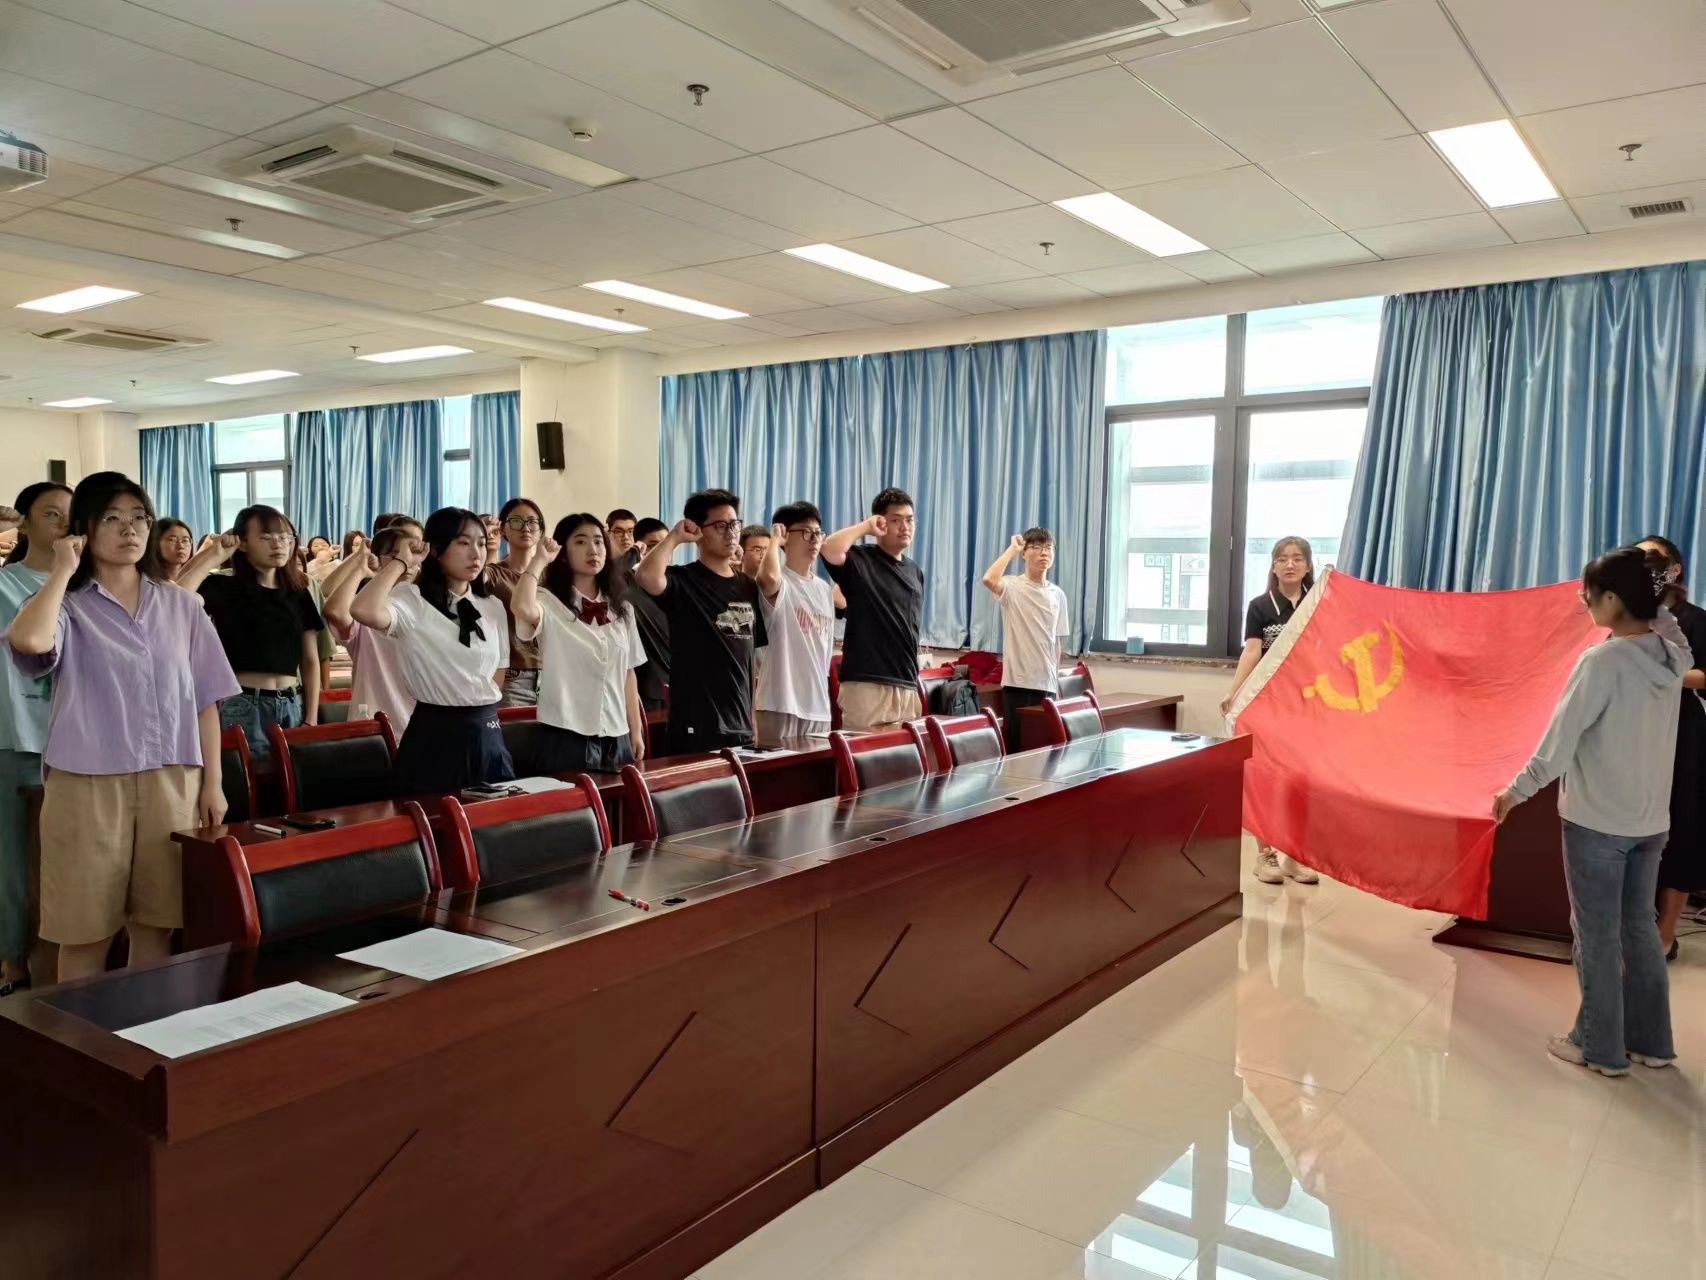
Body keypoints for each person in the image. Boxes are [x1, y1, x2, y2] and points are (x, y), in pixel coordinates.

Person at [6, 472, 237, 982]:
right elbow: (29, 642)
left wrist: (213, 784)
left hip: (173, 780)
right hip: (86, 784)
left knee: (158, 926)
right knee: (85, 933)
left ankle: (144, 1026)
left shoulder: (182, 605)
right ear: (83, 529)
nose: (129, 529)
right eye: (112, 517)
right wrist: (62, 572)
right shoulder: (65, 604)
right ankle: (85, 1032)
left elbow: (206, 700)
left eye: (139, 517)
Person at [1494, 546, 1686, 1076]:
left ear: (1613, 599)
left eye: (1590, 593)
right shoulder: (1670, 654)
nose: (1583, 600)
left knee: (1596, 936)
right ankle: (1651, 1043)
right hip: (1650, 821)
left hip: (1598, 821)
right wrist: (1654, 594)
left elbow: (1557, 747)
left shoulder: (1601, 661)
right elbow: (1669, 626)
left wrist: (1514, 792)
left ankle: (1598, 1047)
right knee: (1640, 930)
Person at [351, 508, 514, 795]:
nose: (476, 554)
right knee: (433, 816)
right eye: (463, 543)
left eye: (481, 543)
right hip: (436, 732)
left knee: (493, 818)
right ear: (436, 550)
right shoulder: (412, 599)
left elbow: (498, 672)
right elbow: (363, 610)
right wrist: (401, 562)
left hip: (486, 731)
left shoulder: (492, 606)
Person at [181, 506, 324, 767]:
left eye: (285, 537)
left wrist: (311, 717)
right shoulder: (222, 586)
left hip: (292, 702)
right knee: (248, 782)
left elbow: (310, 660)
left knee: (293, 782)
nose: (278, 544)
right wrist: (212, 555)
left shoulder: (298, 592)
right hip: (243, 704)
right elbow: (176, 599)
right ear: (243, 543)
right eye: (266, 537)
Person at [0, 482, 71, 995]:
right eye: (51, 514)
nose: (65, 524)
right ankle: (12, 959)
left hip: (77, 743)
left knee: (65, 860)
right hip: (17, 736)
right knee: (14, 861)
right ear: (23, 523)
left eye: (72, 515)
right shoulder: (5, 585)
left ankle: (62, 961)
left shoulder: (90, 585)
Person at [509, 515, 648, 772]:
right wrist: (539, 560)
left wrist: (636, 730)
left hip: (616, 733)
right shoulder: (548, 601)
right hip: (566, 732)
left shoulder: (623, 609)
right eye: (581, 542)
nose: (593, 550)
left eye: (598, 541)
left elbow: (628, 673)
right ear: (564, 553)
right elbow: (521, 606)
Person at [634, 489, 765, 753]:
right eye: (720, 526)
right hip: (696, 724)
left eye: (734, 524)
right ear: (698, 531)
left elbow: (749, 658)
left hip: (740, 724)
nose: (731, 533)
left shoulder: (748, 586)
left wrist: (753, 716)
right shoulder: (683, 580)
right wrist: (675, 536)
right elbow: (646, 576)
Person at [1224, 537, 1321, 886]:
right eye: (1282, 559)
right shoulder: (1260, 606)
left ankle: (1295, 855)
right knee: (1264, 779)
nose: (1290, 564)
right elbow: (1252, 652)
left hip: (1306, 705)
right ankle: (1264, 854)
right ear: (1274, 566)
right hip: (1267, 704)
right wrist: (1234, 693)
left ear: (1308, 566)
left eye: (1297, 558)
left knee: (1301, 783)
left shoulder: (1318, 605)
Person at [1636, 534, 1706, 961]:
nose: (1643, 564)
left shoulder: (1695, 619)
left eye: (1651, 558)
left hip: (1683, 732)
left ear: (1674, 569)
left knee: (1680, 828)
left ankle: (1664, 934)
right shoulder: (1629, 616)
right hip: (1635, 730)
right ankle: (1634, 924)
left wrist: (1665, 675)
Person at [822, 487, 925, 730]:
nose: (905, 527)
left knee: (907, 754)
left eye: (909, 520)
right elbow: (828, 549)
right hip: (867, 683)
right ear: (880, 522)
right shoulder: (861, 560)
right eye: (896, 520)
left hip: (906, 682)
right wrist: (866, 527)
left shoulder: (915, 571)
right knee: (866, 752)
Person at [323, 519, 420, 730]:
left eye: (413, 552)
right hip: (372, 726)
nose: (407, 562)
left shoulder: (430, 607)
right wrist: (360, 569)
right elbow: (335, 612)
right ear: (380, 559)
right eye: (396, 555)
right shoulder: (365, 608)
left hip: (422, 726)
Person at [981, 528, 1071, 751]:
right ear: (1024, 553)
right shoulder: (1012, 586)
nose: (1044, 553)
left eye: (1048, 548)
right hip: (1018, 683)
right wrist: (1012, 549)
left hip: (1047, 684)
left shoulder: (1057, 594)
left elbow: (1055, 643)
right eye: (1036, 547)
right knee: (1018, 749)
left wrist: (1056, 683)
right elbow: (989, 579)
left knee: (1046, 750)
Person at [754, 502, 839, 739]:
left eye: (818, 533)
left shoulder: (824, 589)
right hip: (780, 704)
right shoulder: (782, 581)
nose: (814, 539)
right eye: (805, 532)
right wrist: (773, 540)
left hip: (818, 707)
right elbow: (768, 579)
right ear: (785, 536)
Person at [484, 498, 547, 708]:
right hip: (512, 677)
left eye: (532, 522)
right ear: (502, 530)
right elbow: (473, 579)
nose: (525, 528)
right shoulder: (495, 573)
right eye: (517, 521)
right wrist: (481, 536)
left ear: (540, 530)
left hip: (553, 675)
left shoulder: (551, 577)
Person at [627, 517, 672, 712]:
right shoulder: (628, 581)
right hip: (643, 688)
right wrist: (633, 552)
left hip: (677, 686)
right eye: (653, 545)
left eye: (666, 544)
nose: (661, 551)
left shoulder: (676, 581)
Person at [147, 518, 195, 583]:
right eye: (172, 540)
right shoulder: (146, 581)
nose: (181, 546)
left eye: (185, 540)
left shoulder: (198, 579)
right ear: (155, 542)